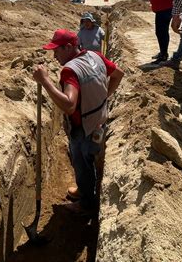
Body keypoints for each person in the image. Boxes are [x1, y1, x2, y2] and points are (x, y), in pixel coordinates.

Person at [33, 29, 124, 217]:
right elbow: (118, 74)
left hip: (83, 129)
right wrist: (103, 97)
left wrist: (45, 81)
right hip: (99, 120)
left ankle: (86, 204)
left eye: (56, 50)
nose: (54, 55)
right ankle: (84, 190)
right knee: (88, 160)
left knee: (82, 164)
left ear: (68, 47)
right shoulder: (95, 56)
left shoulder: (70, 71)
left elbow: (69, 105)